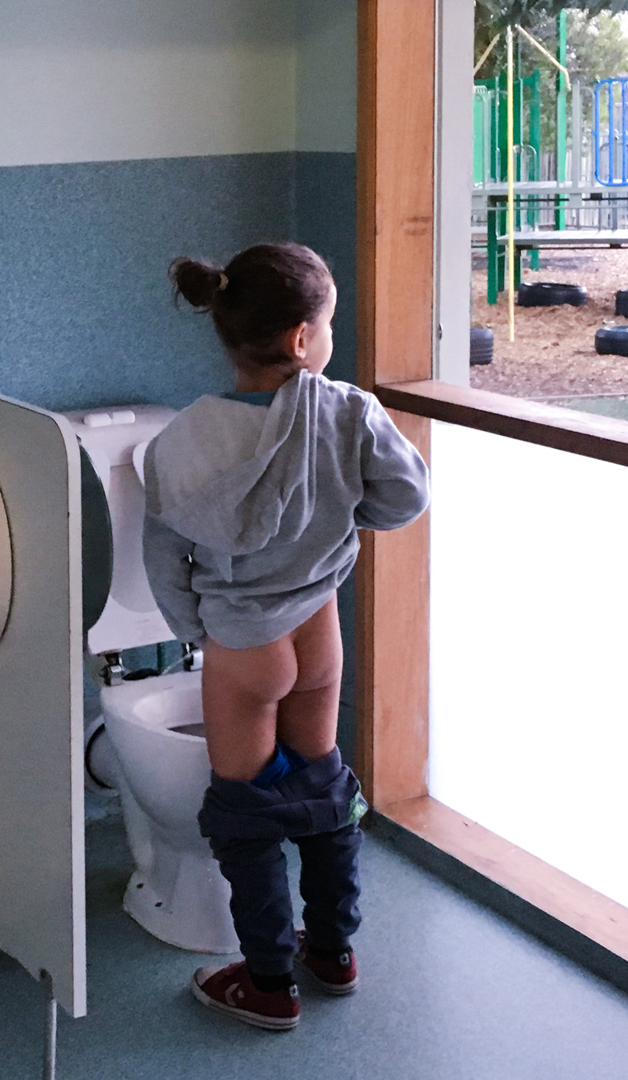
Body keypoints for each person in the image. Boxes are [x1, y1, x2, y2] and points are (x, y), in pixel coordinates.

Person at [145, 242, 430, 1031]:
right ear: (303, 339)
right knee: (323, 783)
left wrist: (194, 628)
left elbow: (164, 553)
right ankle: (334, 950)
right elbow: (406, 497)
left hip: (243, 645)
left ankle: (269, 979)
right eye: (330, 323)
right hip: (318, 631)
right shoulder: (346, 411)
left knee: (247, 813)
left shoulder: (183, 439)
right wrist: (344, 515)